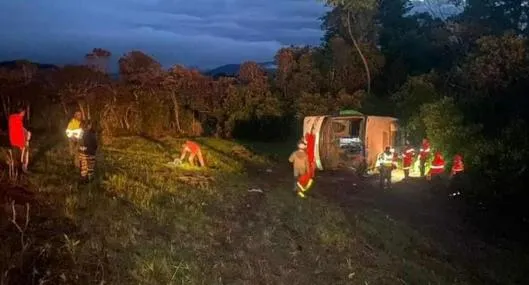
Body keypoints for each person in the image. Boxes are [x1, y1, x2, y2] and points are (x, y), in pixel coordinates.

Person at [8, 106, 31, 176]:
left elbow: (19, 129)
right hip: (18, 142)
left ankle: (16, 173)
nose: (24, 114)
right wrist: (22, 144)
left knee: (16, 158)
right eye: (23, 112)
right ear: (21, 112)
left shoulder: (12, 118)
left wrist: (26, 131)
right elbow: (19, 133)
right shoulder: (18, 120)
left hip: (12, 141)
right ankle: (19, 173)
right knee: (19, 158)